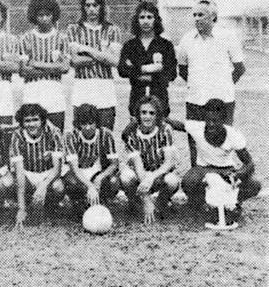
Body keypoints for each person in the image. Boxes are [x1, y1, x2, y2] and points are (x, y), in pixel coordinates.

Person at [177, 0, 245, 166]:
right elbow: (183, 70)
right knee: (195, 140)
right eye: (194, 15)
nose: (197, 18)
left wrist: (224, 85)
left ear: (213, 17)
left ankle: (222, 173)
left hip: (222, 101)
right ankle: (196, 174)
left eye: (201, 15)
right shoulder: (186, 39)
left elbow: (239, 68)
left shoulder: (228, 36)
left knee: (222, 140)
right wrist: (199, 86)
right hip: (195, 101)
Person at [181, 99, 261, 214]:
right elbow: (175, 124)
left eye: (215, 121)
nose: (211, 124)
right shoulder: (196, 127)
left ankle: (234, 202)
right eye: (208, 120)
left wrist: (237, 175)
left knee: (254, 184)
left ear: (223, 120)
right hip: (203, 169)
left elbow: (249, 163)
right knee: (189, 181)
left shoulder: (233, 135)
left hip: (226, 170)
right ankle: (203, 203)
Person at [66, 0, 122, 130]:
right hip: (82, 87)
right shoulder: (74, 29)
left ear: (101, 6)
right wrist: (103, 55)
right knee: (82, 135)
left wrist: (86, 49)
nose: (91, 9)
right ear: (83, 7)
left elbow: (115, 61)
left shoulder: (112, 30)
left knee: (105, 134)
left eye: (95, 5)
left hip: (105, 88)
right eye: (88, 5)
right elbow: (75, 61)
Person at [120, 96, 180, 224]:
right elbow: (138, 165)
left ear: (157, 115)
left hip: (158, 174)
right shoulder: (131, 133)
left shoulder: (165, 130)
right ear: (138, 114)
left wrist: (152, 177)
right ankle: (136, 203)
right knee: (126, 177)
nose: (147, 116)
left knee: (172, 180)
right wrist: (146, 199)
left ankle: (160, 204)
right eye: (144, 112)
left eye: (152, 113)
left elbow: (169, 162)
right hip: (140, 175)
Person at [5, 104, 65, 229]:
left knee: (58, 187)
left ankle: (49, 207)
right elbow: (20, 172)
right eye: (27, 121)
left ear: (42, 120)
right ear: (22, 122)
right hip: (27, 174)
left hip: (47, 173)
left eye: (35, 120)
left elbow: (57, 169)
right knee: (7, 183)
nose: (31, 124)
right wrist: (21, 208)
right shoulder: (17, 135)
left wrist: (44, 185)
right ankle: (25, 205)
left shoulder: (54, 132)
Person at [118, 1, 177, 118]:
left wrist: (140, 73)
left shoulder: (165, 45)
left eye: (149, 17)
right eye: (142, 17)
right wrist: (147, 69)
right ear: (137, 20)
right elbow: (122, 70)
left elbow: (171, 73)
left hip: (160, 100)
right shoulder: (130, 45)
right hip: (136, 100)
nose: (145, 21)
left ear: (156, 20)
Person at [20, 0, 69, 131]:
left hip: (54, 94)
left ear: (53, 15)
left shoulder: (61, 38)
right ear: (34, 16)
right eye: (40, 15)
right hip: (32, 93)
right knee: (32, 136)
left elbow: (65, 68)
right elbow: (24, 71)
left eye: (48, 14)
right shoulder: (26, 38)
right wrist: (55, 68)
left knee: (56, 135)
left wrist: (36, 64)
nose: (45, 18)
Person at [63, 104, 120, 213]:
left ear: (96, 122)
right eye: (84, 123)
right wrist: (90, 186)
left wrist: (99, 178)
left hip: (94, 170)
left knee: (114, 181)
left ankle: (102, 200)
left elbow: (114, 164)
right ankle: (78, 203)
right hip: (76, 172)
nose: (88, 127)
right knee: (72, 183)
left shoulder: (105, 134)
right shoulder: (71, 135)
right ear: (78, 123)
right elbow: (74, 168)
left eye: (91, 123)